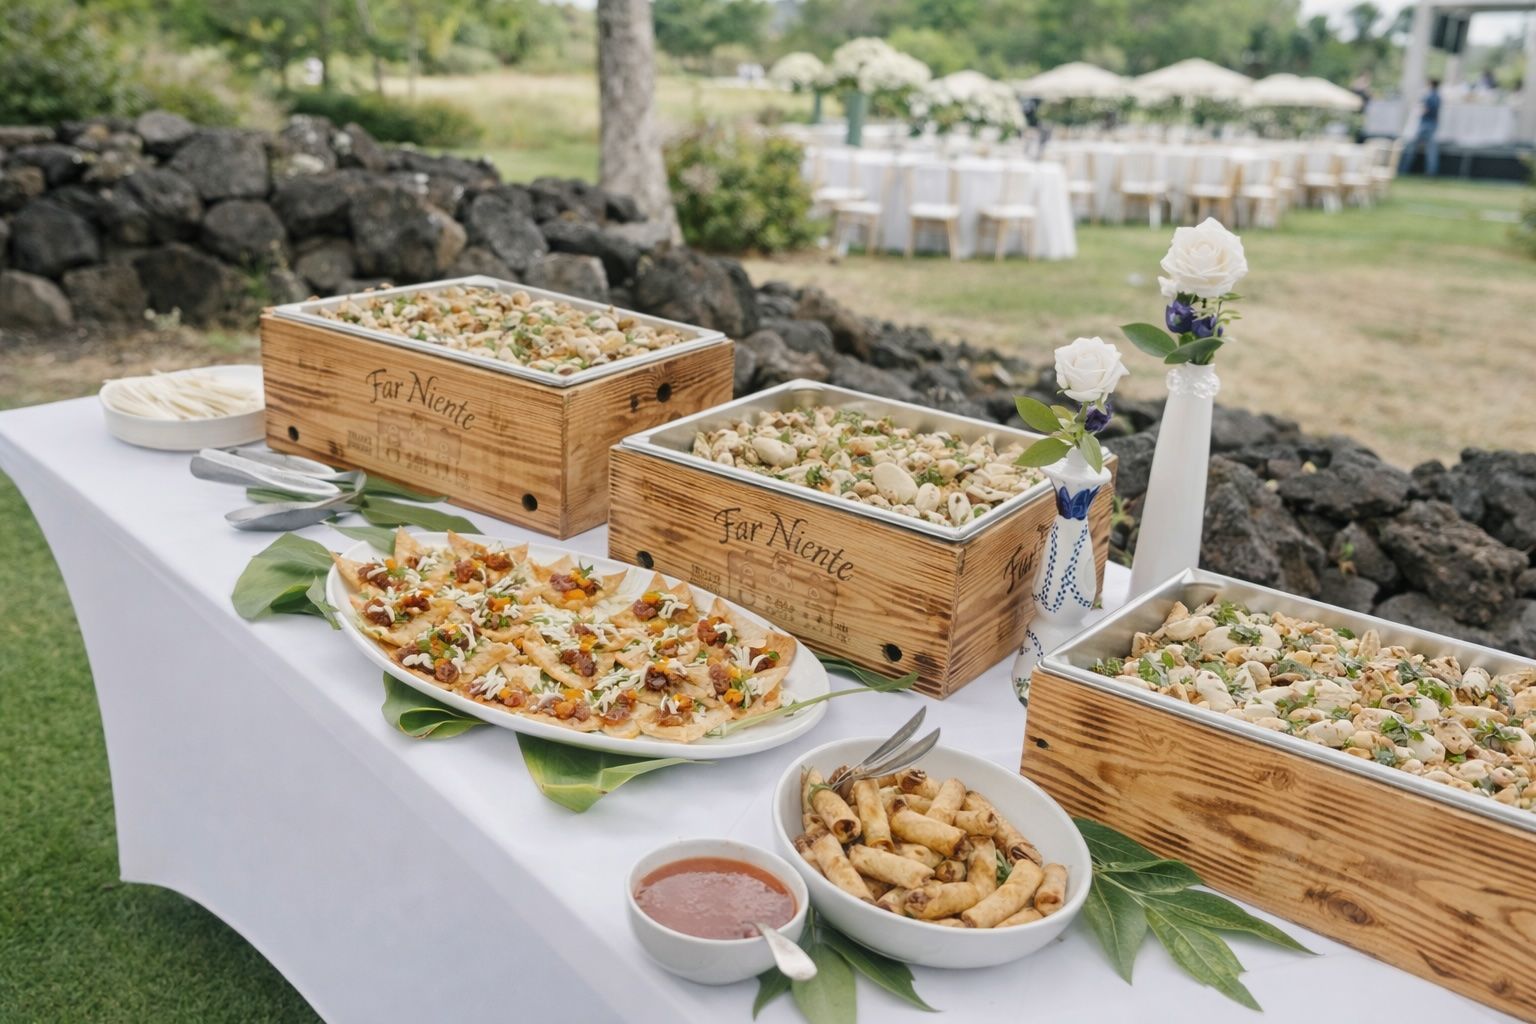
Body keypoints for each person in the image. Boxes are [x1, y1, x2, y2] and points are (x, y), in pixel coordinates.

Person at [1399, 78, 1441, 176]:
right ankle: (1431, 172)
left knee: (1411, 147)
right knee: (1431, 150)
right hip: (1432, 125)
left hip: (1424, 125)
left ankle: (1403, 169)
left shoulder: (1427, 97)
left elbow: (1423, 110)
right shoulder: (1438, 97)